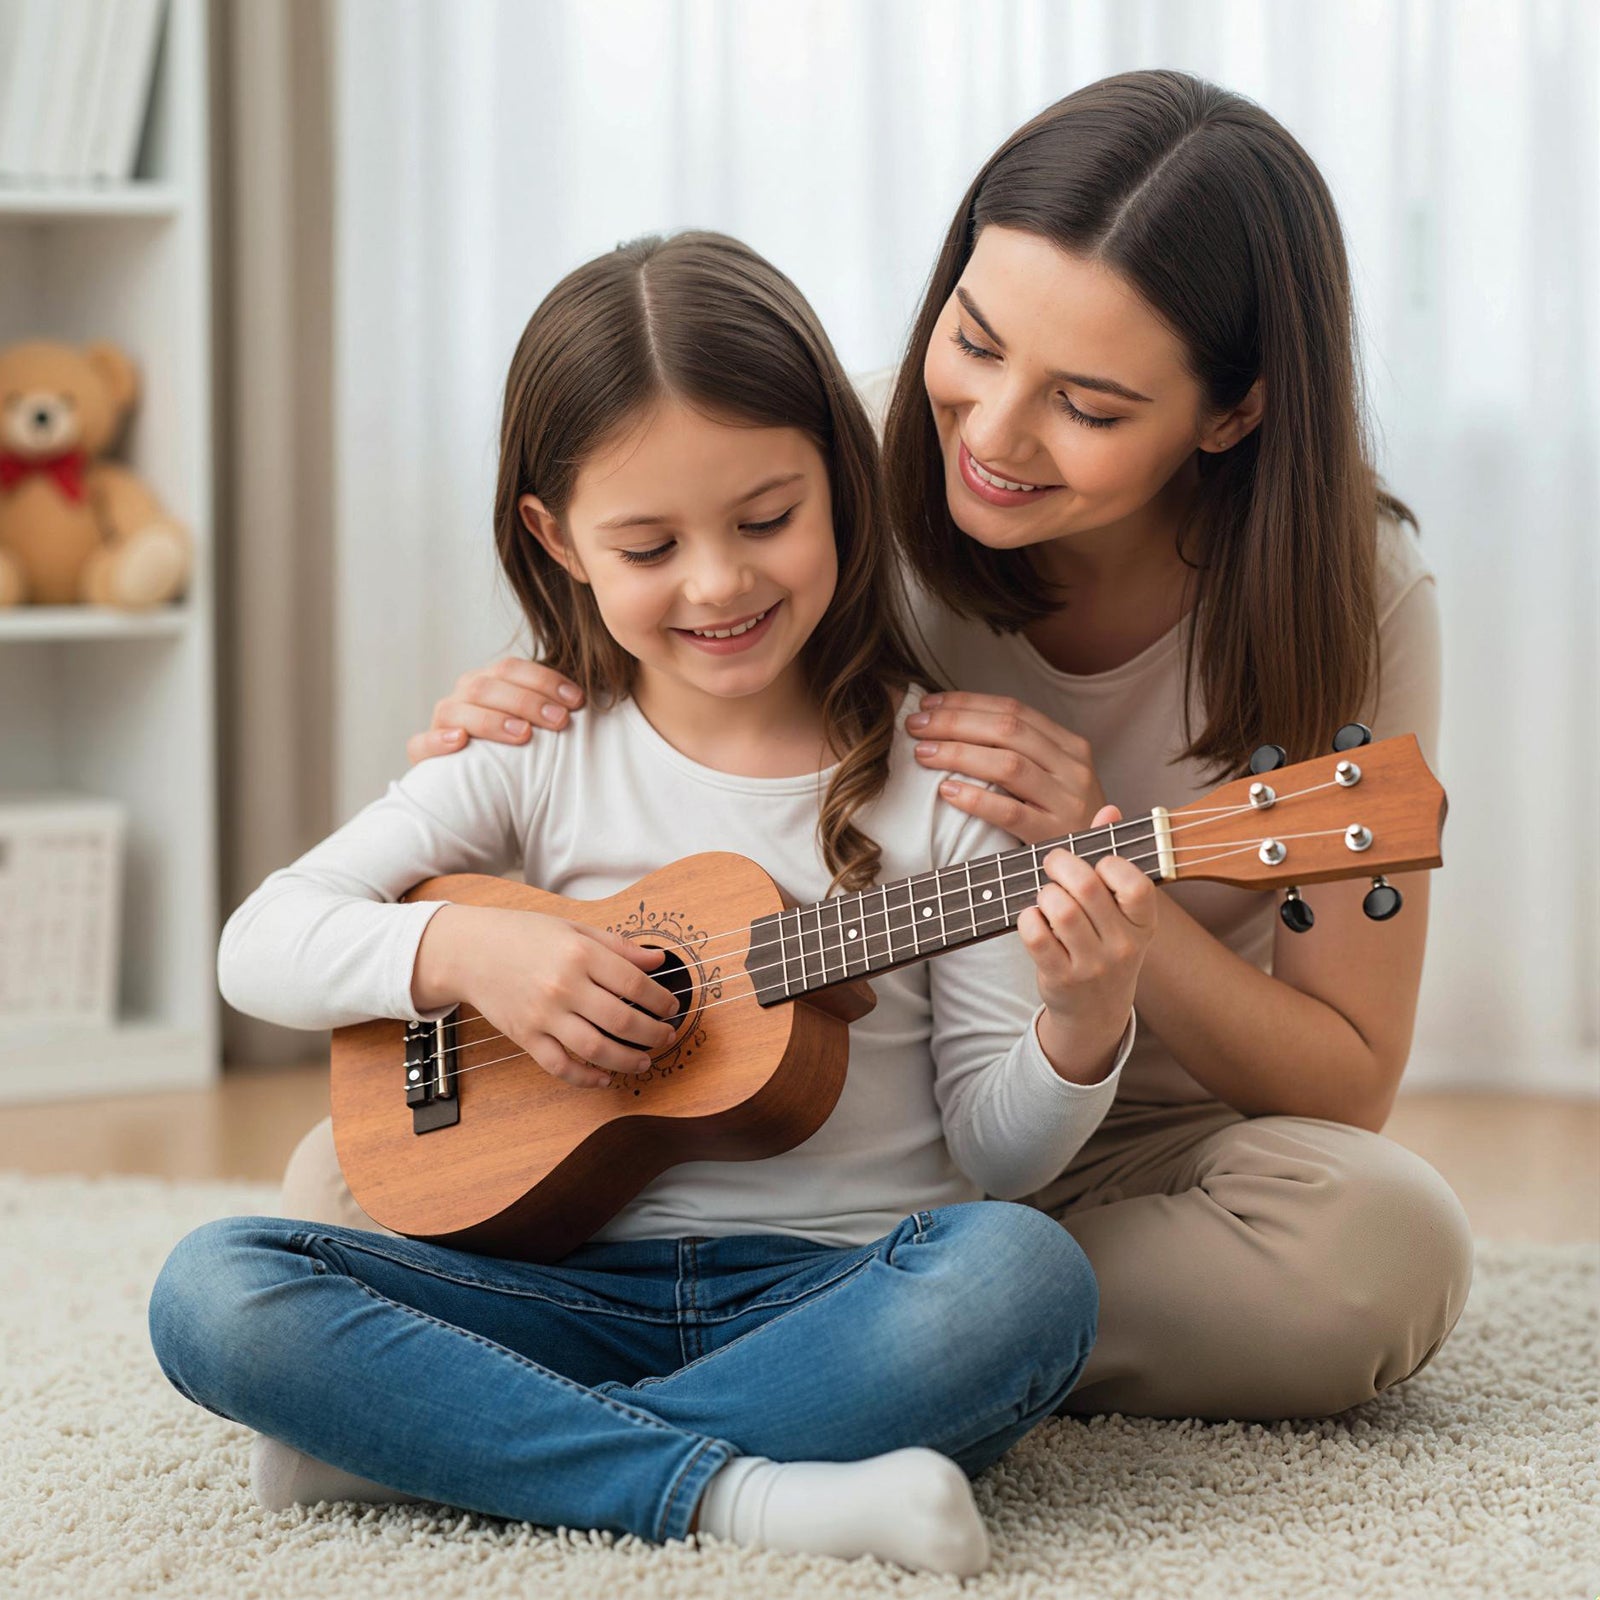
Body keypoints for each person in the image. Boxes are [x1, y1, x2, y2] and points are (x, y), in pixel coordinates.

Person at [402, 71, 1474, 1423]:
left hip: (1121, 1143)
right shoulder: (825, 470)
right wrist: (502, 727)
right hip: (759, 1131)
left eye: (1089, 408)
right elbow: (627, 686)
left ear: (1233, 411)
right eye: (973, 341)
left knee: (1379, 1248)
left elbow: (1347, 1079)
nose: (994, 435)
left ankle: (723, 1341)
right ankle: (875, 1351)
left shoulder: (1350, 594)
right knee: (356, 1174)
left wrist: (1111, 901)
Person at [149, 232, 1158, 1576]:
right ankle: (747, 1496)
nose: (718, 582)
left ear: (840, 485)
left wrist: (1084, 1024)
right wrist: (473, 951)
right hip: (547, 1293)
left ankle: (458, 1448)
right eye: (648, 543)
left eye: (767, 520)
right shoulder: (536, 750)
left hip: (836, 1293)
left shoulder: (947, 781)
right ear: (556, 540)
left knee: (1024, 1280)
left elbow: (1002, 1153)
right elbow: (258, 943)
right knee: (214, 1290)